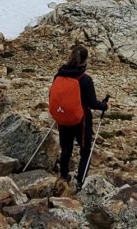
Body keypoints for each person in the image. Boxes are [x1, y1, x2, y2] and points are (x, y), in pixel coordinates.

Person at [49, 45, 108, 188]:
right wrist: (104, 106)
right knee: (85, 150)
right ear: (85, 60)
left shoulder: (59, 75)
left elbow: (52, 95)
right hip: (81, 120)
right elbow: (92, 103)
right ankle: (80, 181)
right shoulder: (85, 79)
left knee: (66, 148)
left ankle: (64, 175)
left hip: (63, 116)